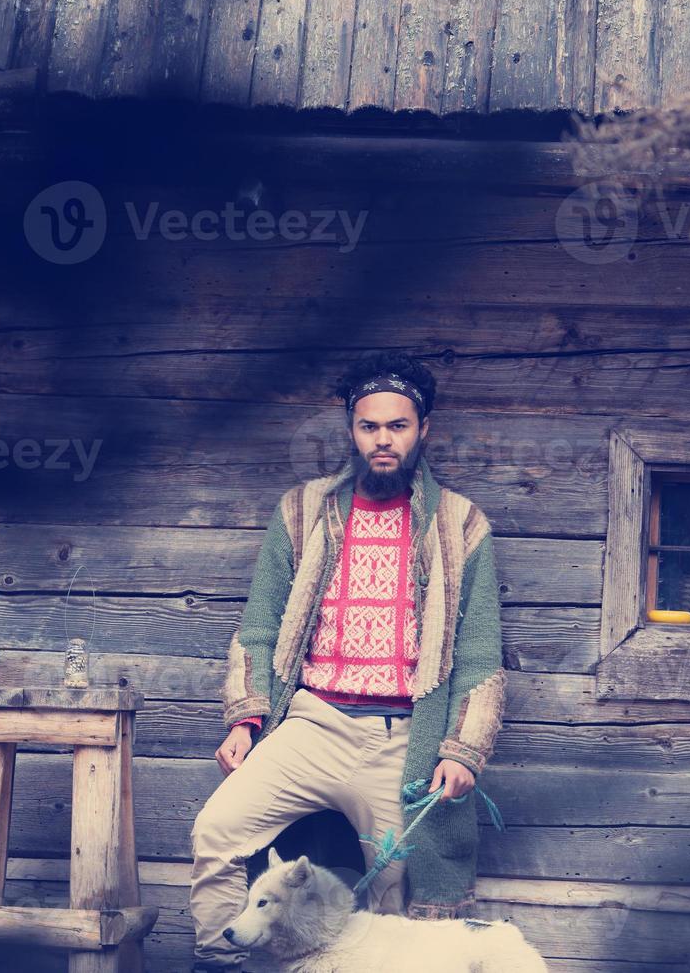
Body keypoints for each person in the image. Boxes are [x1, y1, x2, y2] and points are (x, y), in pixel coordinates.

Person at [188, 350, 507, 971]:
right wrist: (244, 721)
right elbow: (258, 624)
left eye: (398, 426)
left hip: (402, 740)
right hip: (311, 722)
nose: (382, 440)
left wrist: (462, 750)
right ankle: (218, 965)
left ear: (423, 431)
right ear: (351, 430)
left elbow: (478, 652)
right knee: (217, 834)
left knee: (397, 886)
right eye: (369, 426)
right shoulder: (304, 511)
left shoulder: (461, 524)